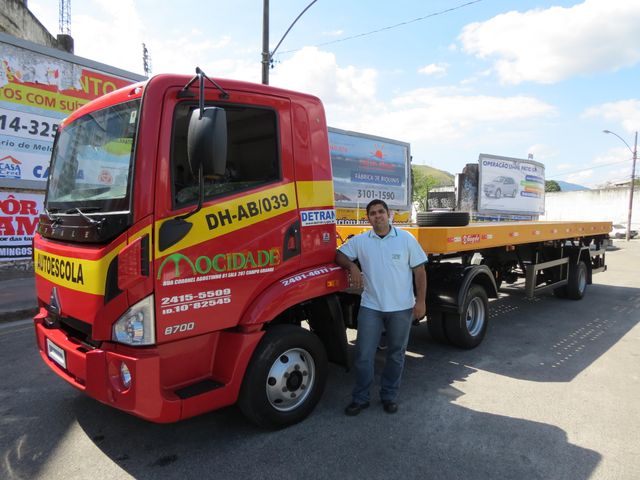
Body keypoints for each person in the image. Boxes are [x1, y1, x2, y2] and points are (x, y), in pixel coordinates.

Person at [336, 199, 427, 416]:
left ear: (389, 214)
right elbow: (338, 254)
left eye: (381, 212)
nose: (378, 216)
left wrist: (421, 301)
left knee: (396, 354)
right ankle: (361, 398)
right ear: (368, 218)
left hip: (401, 309)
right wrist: (352, 266)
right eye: (373, 213)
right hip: (371, 307)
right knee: (364, 355)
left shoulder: (406, 239)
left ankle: (389, 396)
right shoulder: (361, 241)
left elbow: (420, 272)